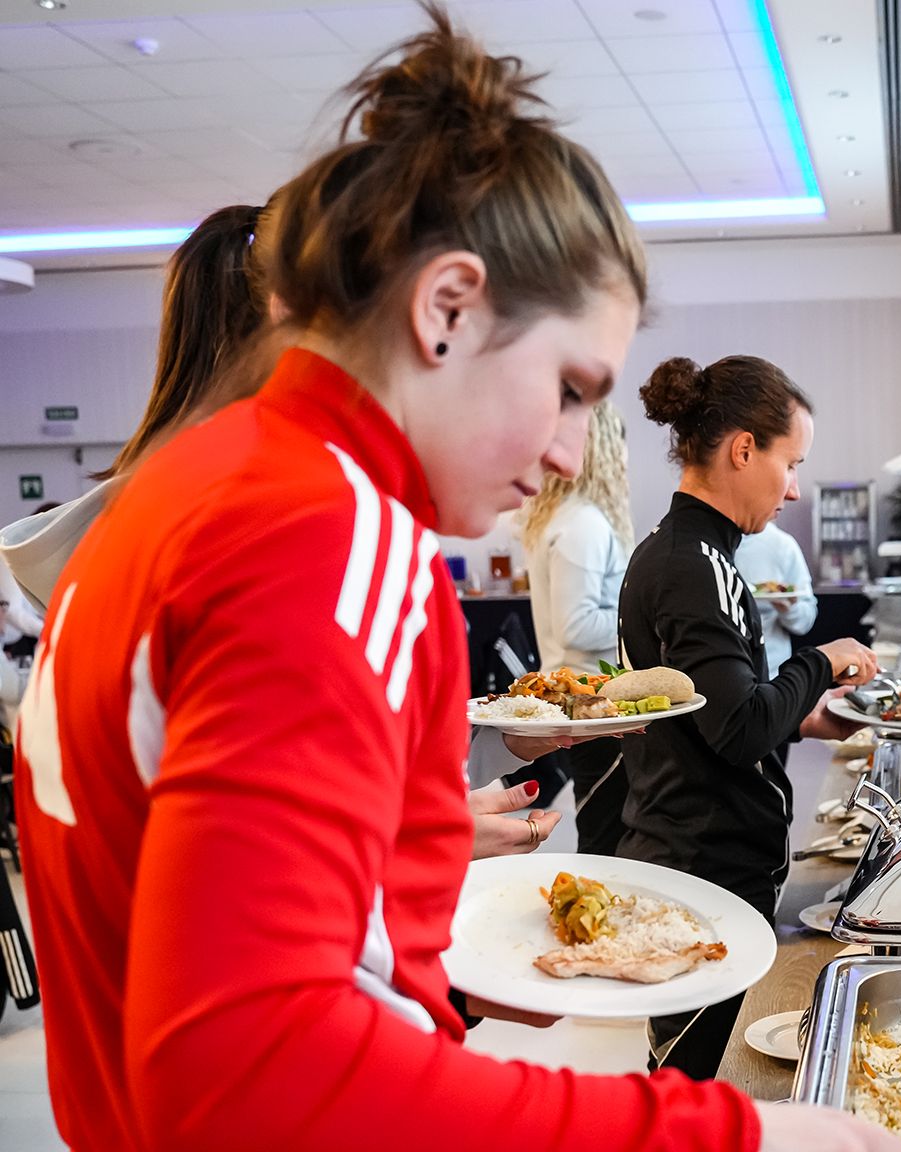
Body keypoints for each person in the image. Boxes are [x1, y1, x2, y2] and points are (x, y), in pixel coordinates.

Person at [12, 10, 901, 1151]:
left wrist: (437, 980)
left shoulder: (189, 485)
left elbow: (207, 917)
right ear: (446, 309)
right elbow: (247, 1073)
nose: (572, 453)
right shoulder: (327, 536)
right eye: (571, 387)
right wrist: (736, 1137)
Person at [0, 198, 561, 861]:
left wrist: (446, 797)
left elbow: (290, 795)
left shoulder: (134, 534)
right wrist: (426, 842)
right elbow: (246, 869)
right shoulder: (275, 547)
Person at [619, 354, 879, 1079]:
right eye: (789, 463)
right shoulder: (690, 565)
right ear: (743, 449)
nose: (794, 488)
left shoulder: (697, 555)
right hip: (703, 869)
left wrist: (803, 719)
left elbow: (712, 711)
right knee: (694, 1087)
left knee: (698, 1082)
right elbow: (737, 732)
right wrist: (820, 663)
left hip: (712, 863)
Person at [520, 400, 635, 852]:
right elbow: (577, 626)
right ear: (605, 449)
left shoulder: (564, 516)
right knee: (607, 835)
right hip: (590, 700)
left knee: (603, 825)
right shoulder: (583, 523)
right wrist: (639, 620)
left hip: (585, 699)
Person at [733, 519, 818, 674]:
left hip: (772, 670)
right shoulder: (707, 542)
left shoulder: (782, 545)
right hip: (721, 666)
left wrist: (789, 610)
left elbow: (806, 619)